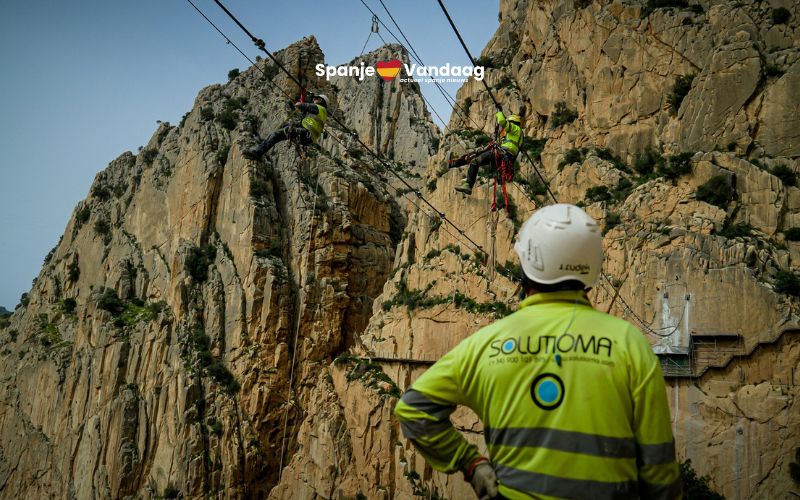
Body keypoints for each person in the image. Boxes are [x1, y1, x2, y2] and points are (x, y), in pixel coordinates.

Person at [394, 204, 681, 499]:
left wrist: (472, 464)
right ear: (592, 266)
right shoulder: (629, 344)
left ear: (526, 264)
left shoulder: (485, 344)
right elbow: (659, 467)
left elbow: (413, 408)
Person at [452, 112, 523, 195]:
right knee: (477, 157)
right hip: (506, 158)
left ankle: (468, 185)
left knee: (475, 161)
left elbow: (501, 121)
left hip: (500, 154)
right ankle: (460, 168)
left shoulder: (515, 129)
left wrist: (499, 113)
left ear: (512, 122)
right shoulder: (519, 135)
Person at [243, 93, 328, 160]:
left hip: (305, 134)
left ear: (320, 100)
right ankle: (263, 144)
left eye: (315, 98)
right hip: (307, 137)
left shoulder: (319, 108)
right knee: (285, 127)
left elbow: (301, 105)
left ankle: (257, 152)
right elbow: (304, 122)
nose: (313, 100)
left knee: (277, 134)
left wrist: (299, 104)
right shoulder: (321, 114)